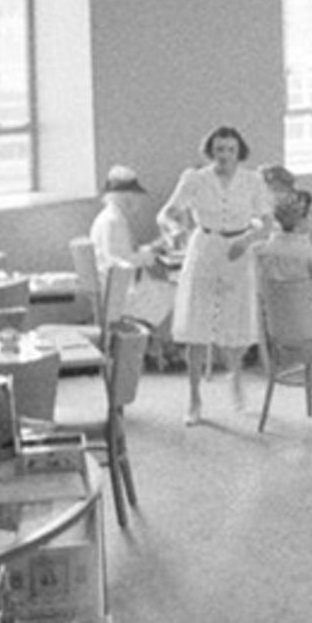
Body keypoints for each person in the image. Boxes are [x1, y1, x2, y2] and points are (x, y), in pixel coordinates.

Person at [160, 125, 275, 425]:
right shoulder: (195, 179)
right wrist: (175, 229)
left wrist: (247, 240)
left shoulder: (252, 181)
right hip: (205, 250)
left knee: (235, 322)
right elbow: (167, 213)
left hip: (238, 252)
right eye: (220, 149)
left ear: (239, 152)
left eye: (231, 150)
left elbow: (267, 223)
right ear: (211, 151)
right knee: (197, 328)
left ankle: (235, 375)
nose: (225, 155)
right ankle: (194, 398)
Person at [88, 164, 179, 337]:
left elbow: (123, 253)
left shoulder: (110, 218)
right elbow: (122, 262)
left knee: (168, 289)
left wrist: (151, 248)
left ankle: (158, 344)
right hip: (119, 294)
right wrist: (150, 256)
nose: (138, 200)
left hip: (114, 287)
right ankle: (158, 344)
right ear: (126, 197)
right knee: (176, 292)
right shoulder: (113, 221)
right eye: (135, 195)